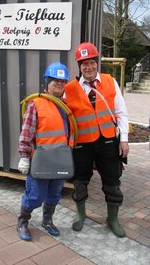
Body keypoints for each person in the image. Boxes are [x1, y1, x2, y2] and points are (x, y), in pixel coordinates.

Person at [64, 42, 129, 238]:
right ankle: (80, 216)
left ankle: (113, 219)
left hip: (108, 142)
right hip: (83, 144)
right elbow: (62, 116)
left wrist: (124, 140)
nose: (88, 67)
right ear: (79, 66)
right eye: (84, 64)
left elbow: (121, 113)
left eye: (91, 62)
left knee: (112, 182)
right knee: (80, 181)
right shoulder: (70, 89)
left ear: (96, 63)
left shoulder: (110, 81)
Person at [17, 61, 74, 241]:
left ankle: (47, 220)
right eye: (55, 80)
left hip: (60, 160)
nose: (59, 83)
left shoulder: (66, 107)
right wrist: (24, 157)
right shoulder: (36, 104)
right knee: (35, 195)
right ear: (47, 82)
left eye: (62, 81)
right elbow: (27, 132)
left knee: (54, 194)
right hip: (41, 160)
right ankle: (22, 222)